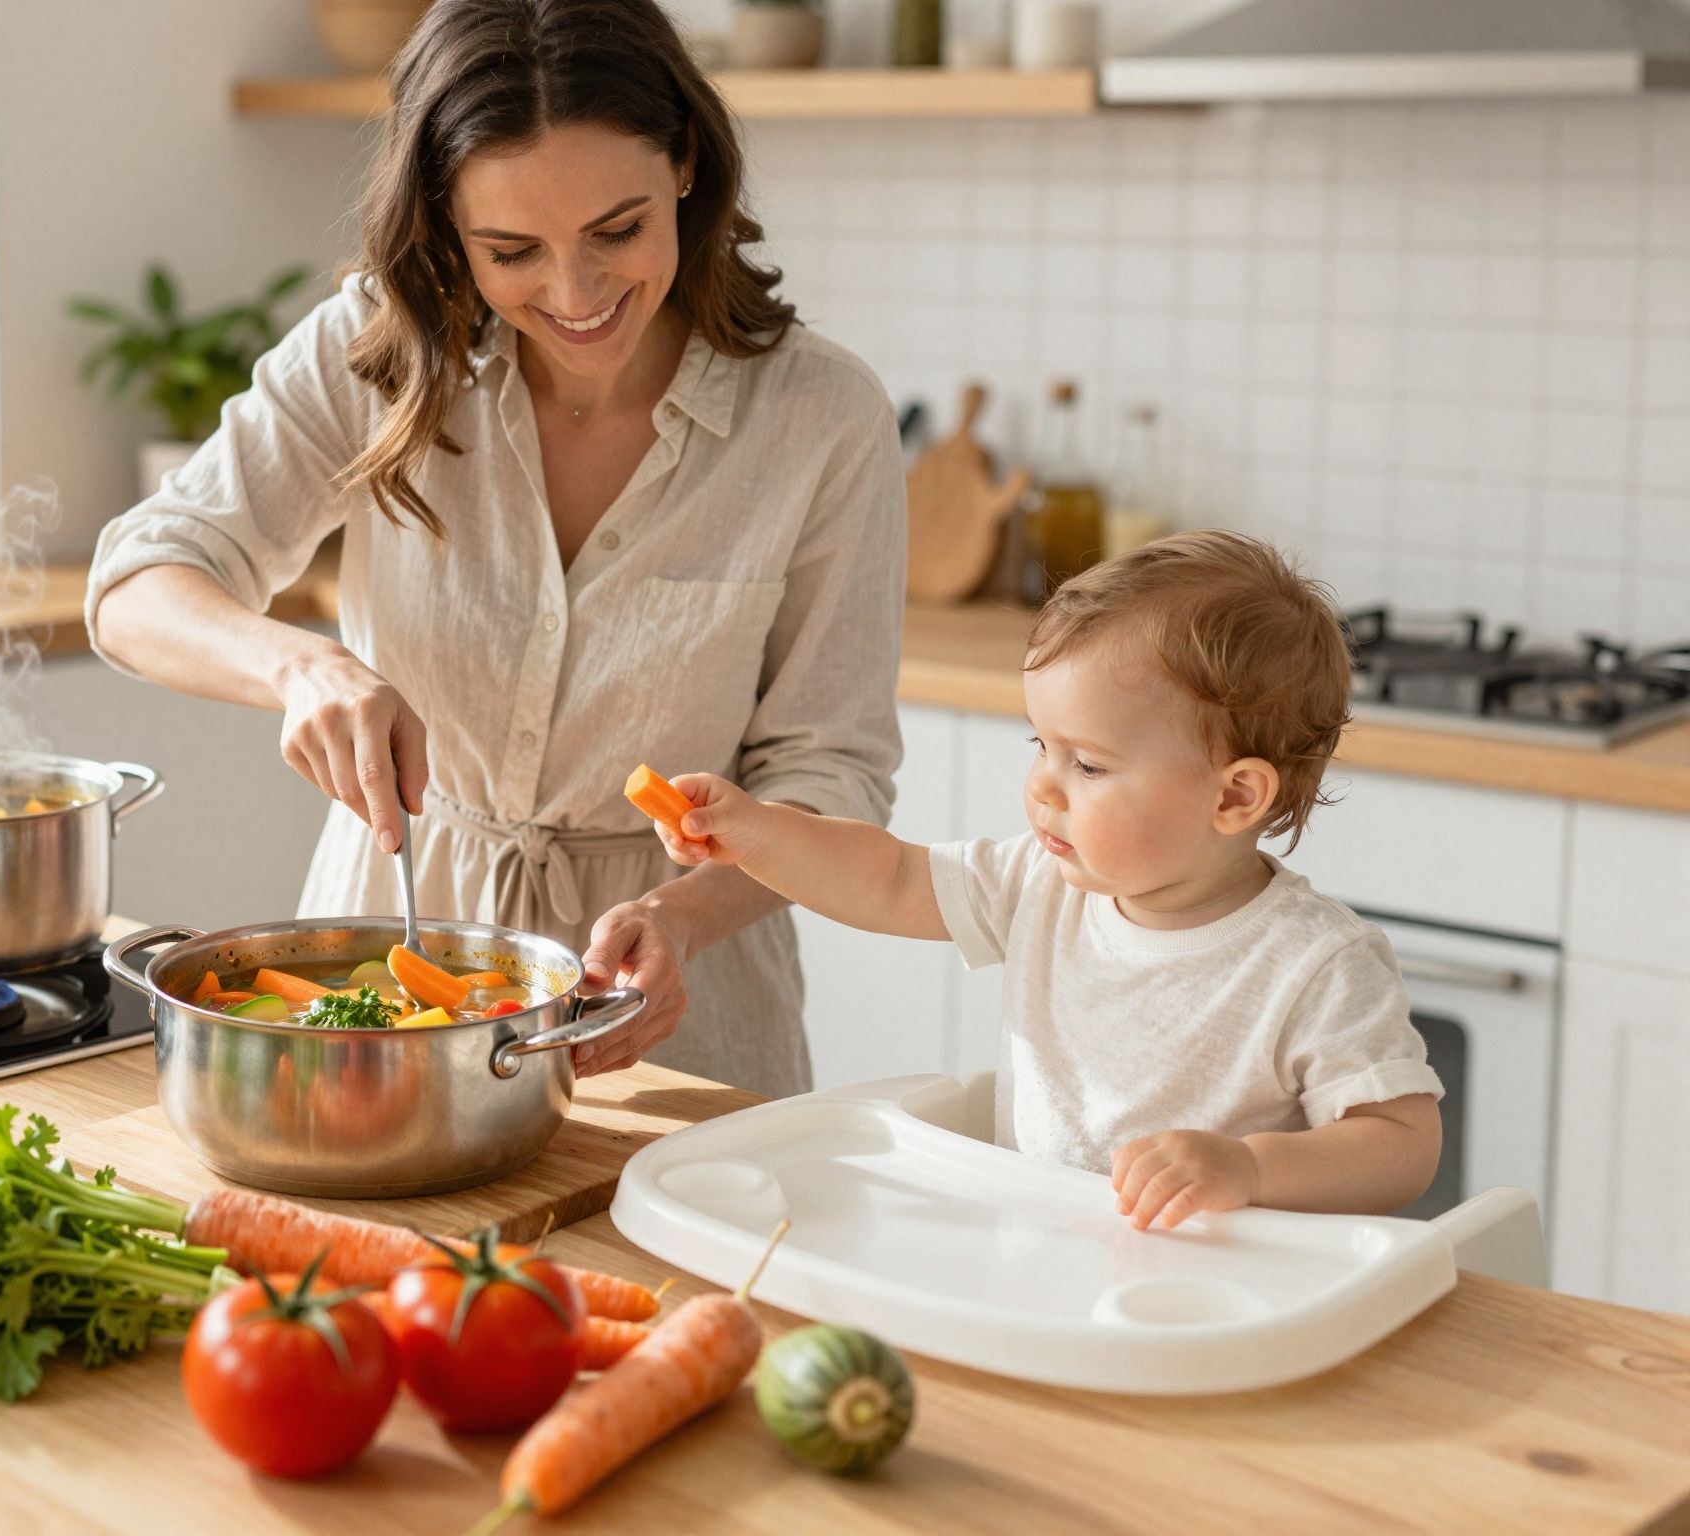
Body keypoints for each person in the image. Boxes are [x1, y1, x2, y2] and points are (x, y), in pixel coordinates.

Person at [84, 0, 905, 1097]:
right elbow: (137, 582)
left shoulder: (819, 417)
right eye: (511, 250)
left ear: (685, 169)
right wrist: (302, 666)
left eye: (617, 230)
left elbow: (830, 777)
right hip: (389, 982)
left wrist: (677, 917)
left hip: (671, 1014)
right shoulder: (374, 353)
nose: (574, 295)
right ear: (443, 225)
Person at [646, 531, 1444, 1227]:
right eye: (1041, 746)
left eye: (1089, 764)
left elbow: (1401, 1145)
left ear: (1234, 796)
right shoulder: (1042, 882)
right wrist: (758, 832)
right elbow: (886, 879)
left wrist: (1251, 1169)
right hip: (1042, 1249)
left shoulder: (1317, 964)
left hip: (1221, 1289)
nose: (1042, 788)